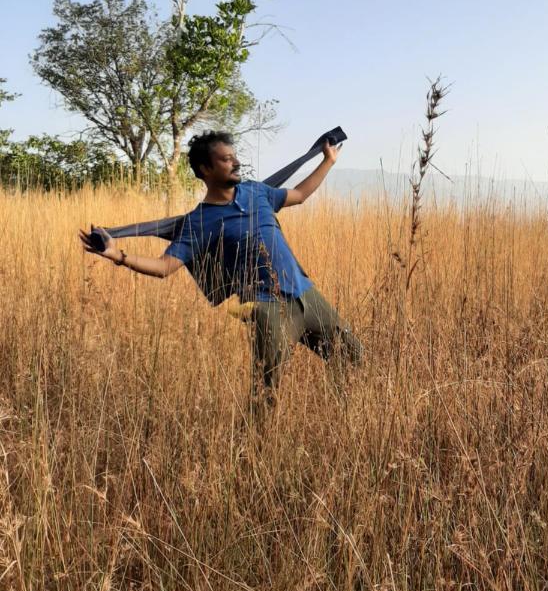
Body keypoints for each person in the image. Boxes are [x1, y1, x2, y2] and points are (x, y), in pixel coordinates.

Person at [79, 130, 363, 405]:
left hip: (306, 294)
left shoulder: (256, 192)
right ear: (206, 169)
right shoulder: (199, 222)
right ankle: (254, 449)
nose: (236, 163)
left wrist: (328, 161)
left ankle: (344, 411)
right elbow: (165, 267)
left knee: (353, 356)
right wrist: (119, 256)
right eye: (226, 159)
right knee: (266, 393)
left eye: (234, 157)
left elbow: (299, 195)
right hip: (269, 309)